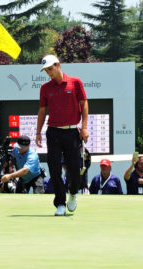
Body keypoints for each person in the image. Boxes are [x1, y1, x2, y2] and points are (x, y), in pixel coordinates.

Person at [35, 54, 89, 216]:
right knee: (54, 168)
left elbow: (84, 103)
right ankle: (60, 203)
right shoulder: (45, 88)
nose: (49, 73)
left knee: (74, 169)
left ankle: (72, 194)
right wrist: (38, 132)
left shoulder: (75, 82)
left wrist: (84, 127)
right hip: (53, 132)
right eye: (46, 70)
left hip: (72, 132)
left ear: (58, 65)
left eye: (50, 69)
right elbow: (42, 110)